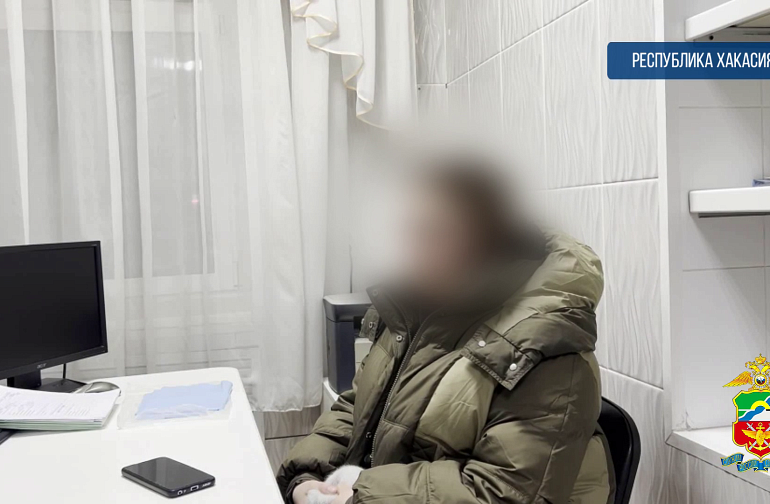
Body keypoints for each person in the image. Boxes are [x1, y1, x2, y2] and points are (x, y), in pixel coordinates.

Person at [277, 159, 613, 504]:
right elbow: (356, 408)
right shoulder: (414, 311)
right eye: (408, 233)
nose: (410, 254)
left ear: (489, 244)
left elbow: (500, 493)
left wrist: (360, 495)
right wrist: (306, 478)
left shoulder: (547, 346)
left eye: (433, 234)